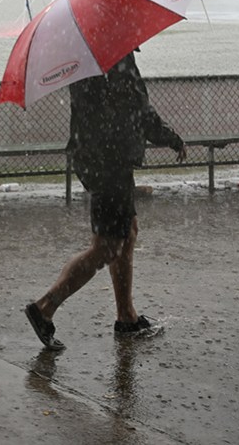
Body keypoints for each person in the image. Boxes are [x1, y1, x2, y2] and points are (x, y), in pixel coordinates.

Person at [24, 51, 186, 351]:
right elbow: (139, 110)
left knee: (128, 231)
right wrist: (170, 137)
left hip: (98, 157)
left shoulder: (83, 59)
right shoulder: (117, 59)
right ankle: (44, 307)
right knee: (107, 247)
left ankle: (126, 317)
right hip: (110, 161)